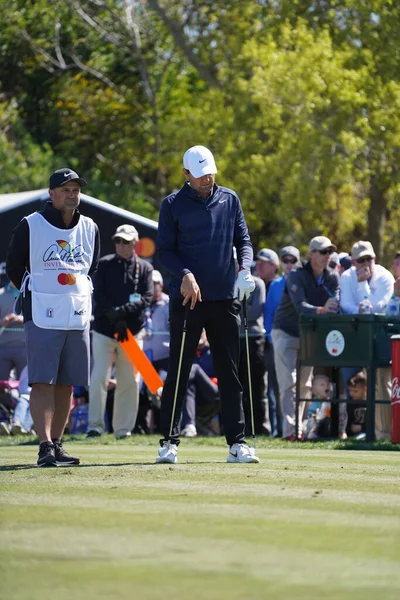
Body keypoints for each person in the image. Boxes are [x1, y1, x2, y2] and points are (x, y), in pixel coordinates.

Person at [155, 144, 258, 464]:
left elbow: (244, 241)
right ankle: (169, 441)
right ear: (186, 174)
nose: (206, 179)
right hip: (188, 300)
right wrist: (184, 273)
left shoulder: (230, 199)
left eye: (210, 173)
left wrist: (246, 268)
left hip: (225, 298)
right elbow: (164, 251)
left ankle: (237, 444)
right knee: (179, 371)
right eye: (200, 175)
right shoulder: (172, 205)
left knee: (230, 372)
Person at [6, 168, 100, 466]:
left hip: (77, 314)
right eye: (65, 189)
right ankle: (44, 445)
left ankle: (58, 443)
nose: (72, 194)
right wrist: (41, 289)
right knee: (42, 381)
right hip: (42, 312)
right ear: (52, 193)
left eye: (75, 189)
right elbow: (14, 267)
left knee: (67, 383)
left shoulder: (90, 227)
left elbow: (90, 269)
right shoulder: (30, 225)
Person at [87, 224, 153, 438]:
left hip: (131, 331)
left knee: (129, 380)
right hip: (105, 330)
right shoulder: (104, 264)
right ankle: (95, 426)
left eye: (125, 241)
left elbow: (146, 297)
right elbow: (98, 295)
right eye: (118, 241)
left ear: (135, 243)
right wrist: (113, 316)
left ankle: (123, 429)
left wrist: (121, 315)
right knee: (98, 377)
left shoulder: (144, 268)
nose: (121, 245)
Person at [271, 236, 340, 440]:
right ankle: (290, 432)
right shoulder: (296, 275)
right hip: (285, 331)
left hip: (308, 335)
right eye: (323, 251)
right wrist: (322, 309)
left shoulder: (332, 277)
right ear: (311, 254)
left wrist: (329, 309)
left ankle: (300, 429)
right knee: (289, 383)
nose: (328, 256)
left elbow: (335, 306)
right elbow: (300, 307)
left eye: (330, 252)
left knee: (304, 385)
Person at [340, 240, 393, 440]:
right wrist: (362, 309)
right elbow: (346, 305)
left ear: (374, 258)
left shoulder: (385, 277)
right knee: (351, 385)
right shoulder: (346, 277)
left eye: (368, 258)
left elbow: (379, 307)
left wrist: (363, 286)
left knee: (382, 386)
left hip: (380, 337)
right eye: (360, 260)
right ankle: (351, 432)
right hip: (354, 336)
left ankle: (383, 434)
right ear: (353, 262)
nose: (365, 263)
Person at [264, 246, 301, 436]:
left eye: (292, 260)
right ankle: (281, 429)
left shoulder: (302, 281)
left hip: (300, 339)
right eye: (285, 260)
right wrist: (271, 337)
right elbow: (269, 314)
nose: (289, 264)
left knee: (301, 384)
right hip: (277, 340)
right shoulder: (276, 285)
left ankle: (298, 427)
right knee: (280, 385)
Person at [0, 280, 26, 380]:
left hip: (26, 349)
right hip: (3, 348)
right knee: (1, 388)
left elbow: (40, 317)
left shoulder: (32, 294)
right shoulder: (1, 294)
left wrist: (22, 319)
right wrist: (3, 321)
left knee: (25, 387)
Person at [346, 371, 367, 439]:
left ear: (365, 389)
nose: (351, 394)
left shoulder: (371, 403)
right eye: (350, 390)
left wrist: (362, 427)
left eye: (355, 391)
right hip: (353, 435)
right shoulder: (350, 403)